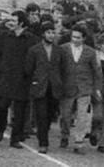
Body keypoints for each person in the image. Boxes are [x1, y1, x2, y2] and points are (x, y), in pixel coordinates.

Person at [0, 11, 38, 149]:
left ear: (21, 23)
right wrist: (1, 67)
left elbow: (34, 59)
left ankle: (15, 139)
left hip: (22, 80)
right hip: (5, 78)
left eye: (13, 20)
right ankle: (0, 128)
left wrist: (27, 72)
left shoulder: (31, 39)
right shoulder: (5, 36)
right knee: (1, 106)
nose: (10, 22)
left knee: (20, 112)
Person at [58, 24, 102, 154]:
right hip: (67, 87)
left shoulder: (90, 52)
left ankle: (79, 141)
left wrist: (97, 88)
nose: (75, 40)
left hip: (84, 88)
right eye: (73, 37)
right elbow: (58, 68)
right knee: (65, 116)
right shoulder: (63, 49)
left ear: (83, 38)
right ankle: (65, 135)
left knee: (82, 116)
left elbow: (97, 71)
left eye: (78, 37)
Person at [25, 21, 62, 154]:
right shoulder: (34, 50)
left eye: (53, 32)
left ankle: (43, 134)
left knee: (50, 115)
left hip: (54, 87)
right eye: (48, 32)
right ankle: (43, 142)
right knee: (41, 115)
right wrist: (33, 82)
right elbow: (29, 69)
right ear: (43, 34)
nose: (51, 35)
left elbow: (62, 69)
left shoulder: (59, 50)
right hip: (40, 86)